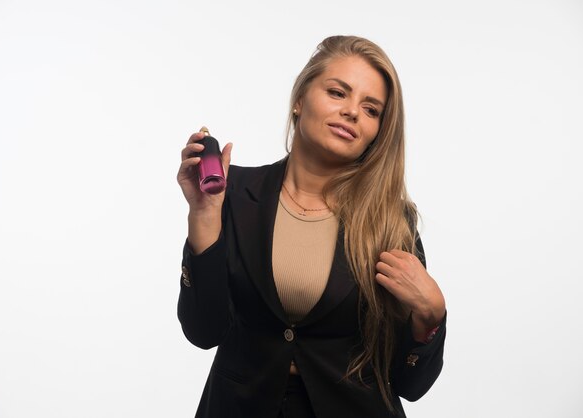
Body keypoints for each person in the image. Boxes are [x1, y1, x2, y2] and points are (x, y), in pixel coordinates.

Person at [176, 35, 447, 418]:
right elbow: (203, 332)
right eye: (338, 92)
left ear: (377, 132)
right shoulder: (231, 193)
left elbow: (410, 386)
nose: (353, 112)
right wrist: (203, 216)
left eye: (371, 110)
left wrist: (431, 315)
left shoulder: (391, 221)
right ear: (300, 100)